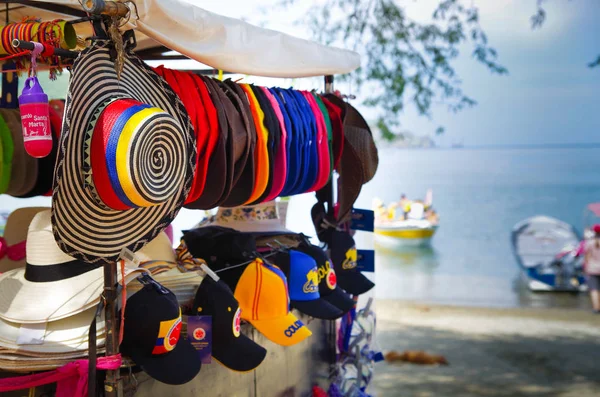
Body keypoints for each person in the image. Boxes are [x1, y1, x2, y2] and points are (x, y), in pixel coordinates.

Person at [584, 224, 600, 313]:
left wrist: (586, 267)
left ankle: (596, 308)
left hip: (593, 268)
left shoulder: (590, 243)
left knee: (594, 289)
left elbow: (587, 257)